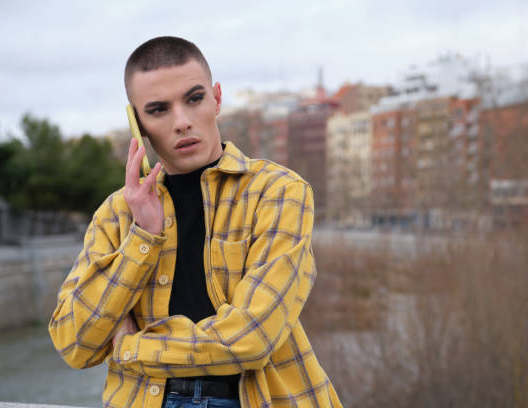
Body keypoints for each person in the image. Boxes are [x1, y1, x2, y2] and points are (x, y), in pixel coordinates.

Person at [49, 36, 342, 408]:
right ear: (137, 122)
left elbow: (252, 340)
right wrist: (142, 238)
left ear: (217, 98)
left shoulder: (278, 192)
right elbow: (73, 344)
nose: (182, 122)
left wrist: (131, 348)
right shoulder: (117, 214)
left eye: (194, 99)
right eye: (158, 110)